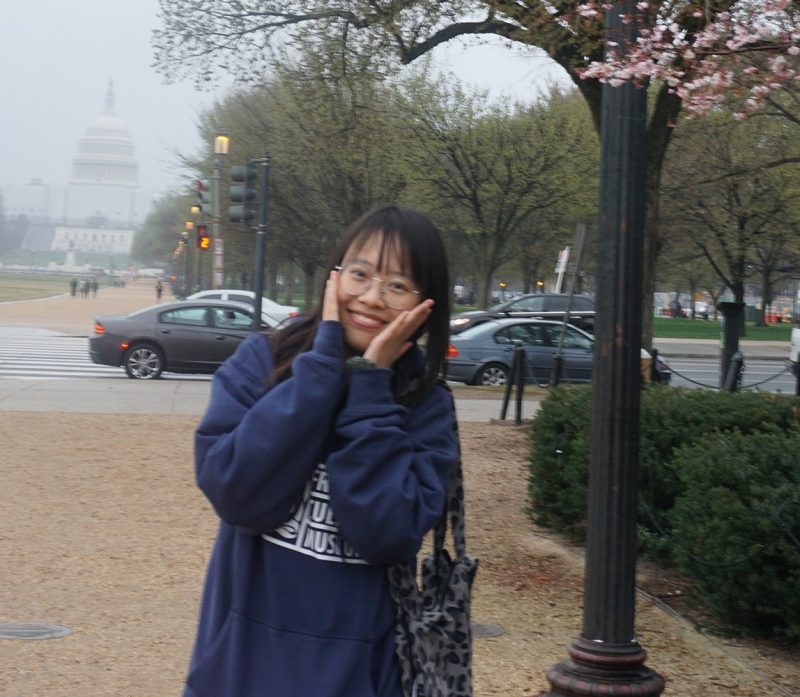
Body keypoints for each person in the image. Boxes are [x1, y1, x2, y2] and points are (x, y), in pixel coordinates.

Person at [182, 204, 458, 697]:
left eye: (397, 285)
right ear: (334, 276)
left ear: (425, 304)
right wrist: (322, 364)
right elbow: (236, 493)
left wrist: (370, 387)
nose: (372, 297)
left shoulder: (426, 404)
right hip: (241, 660)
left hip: (361, 669)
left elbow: (387, 535)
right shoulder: (263, 359)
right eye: (360, 274)